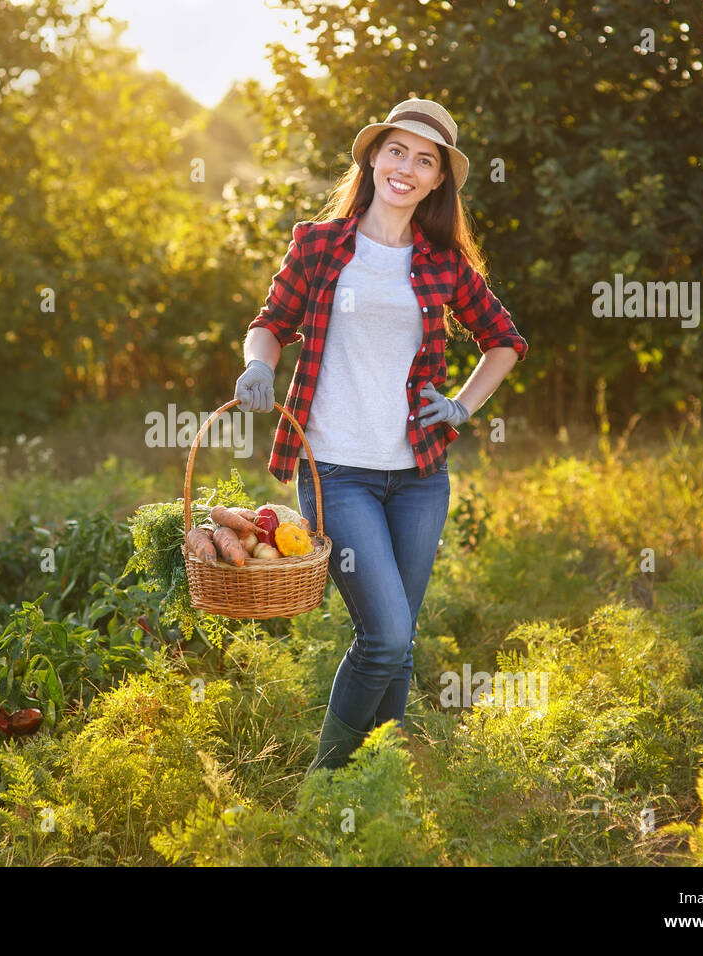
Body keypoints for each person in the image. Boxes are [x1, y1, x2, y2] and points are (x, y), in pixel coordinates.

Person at [234, 98, 529, 777]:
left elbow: (505, 342)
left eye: (425, 161)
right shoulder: (318, 243)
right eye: (398, 150)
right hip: (335, 473)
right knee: (387, 636)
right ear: (373, 156)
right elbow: (270, 322)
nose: (407, 167)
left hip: (419, 478)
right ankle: (323, 782)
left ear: (436, 182)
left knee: (398, 640)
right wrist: (257, 364)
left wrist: (458, 406)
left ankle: (380, 786)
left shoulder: (443, 263)